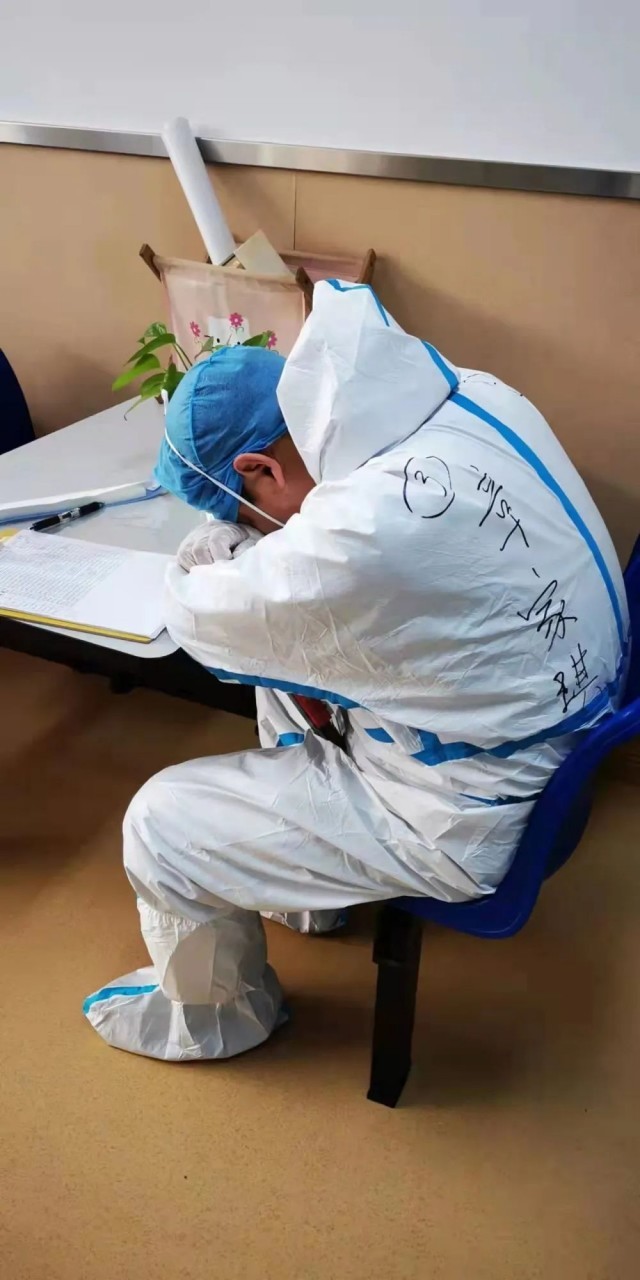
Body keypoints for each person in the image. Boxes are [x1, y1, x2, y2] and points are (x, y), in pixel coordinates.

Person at [84, 281, 628, 1062]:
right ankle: (307, 897)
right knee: (281, 671)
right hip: (554, 720)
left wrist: (211, 553)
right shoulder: (469, 394)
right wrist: (254, 546)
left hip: (466, 815)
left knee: (159, 823)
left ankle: (218, 1018)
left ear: (258, 467)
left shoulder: (363, 530)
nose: (248, 527)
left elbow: (200, 617)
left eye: (240, 509)